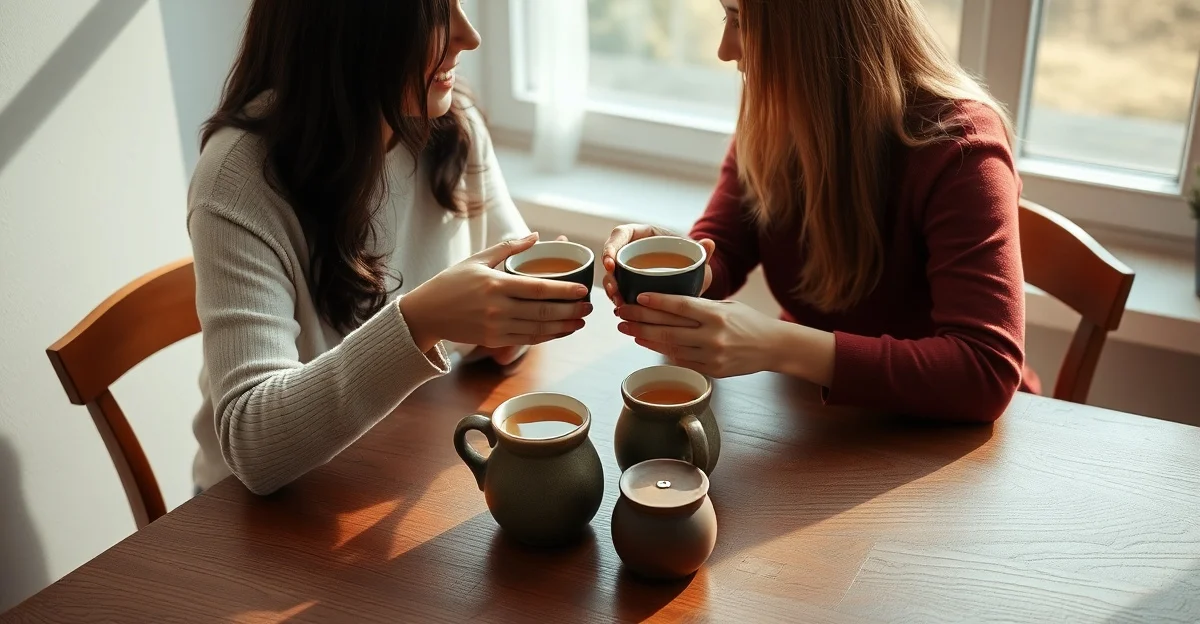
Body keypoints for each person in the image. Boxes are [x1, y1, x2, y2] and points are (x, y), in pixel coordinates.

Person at [188, 0, 591, 495]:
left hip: (395, 468)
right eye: (437, 14)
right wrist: (421, 321)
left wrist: (508, 326)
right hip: (250, 527)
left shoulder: (450, 124)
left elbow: (506, 289)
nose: (469, 37)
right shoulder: (238, 180)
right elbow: (253, 440)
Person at [603, 0, 1038, 423]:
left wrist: (779, 346)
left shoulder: (960, 146)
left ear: (812, 30)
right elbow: (727, 246)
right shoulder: (780, 117)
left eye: (739, 20)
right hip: (820, 419)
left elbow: (984, 370)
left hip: (952, 446)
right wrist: (676, 264)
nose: (725, 49)